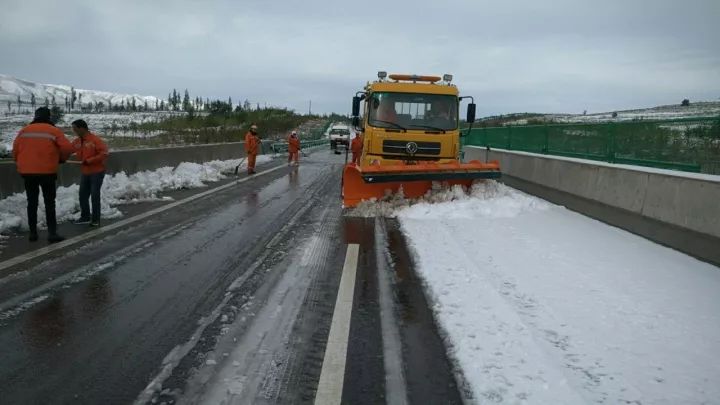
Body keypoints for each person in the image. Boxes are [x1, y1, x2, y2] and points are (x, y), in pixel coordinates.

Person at [12, 107, 74, 242]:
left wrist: (22, 163)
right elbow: (68, 148)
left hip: (28, 173)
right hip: (47, 172)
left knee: (32, 202)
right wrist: (61, 159)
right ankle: (52, 234)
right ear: (49, 117)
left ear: (35, 116)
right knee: (49, 203)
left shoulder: (24, 131)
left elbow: (15, 151)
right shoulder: (53, 130)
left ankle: (33, 233)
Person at [70, 119, 109, 227]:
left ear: (82, 128)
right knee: (82, 195)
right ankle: (85, 216)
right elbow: (68, 149)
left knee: (94, 196)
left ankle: (95, 219)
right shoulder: (77, 141)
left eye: (75, 129)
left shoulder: (95, 140)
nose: (74, 131)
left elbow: (104, 154)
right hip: (85, 172)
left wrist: (90, 160)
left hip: (97, 172)